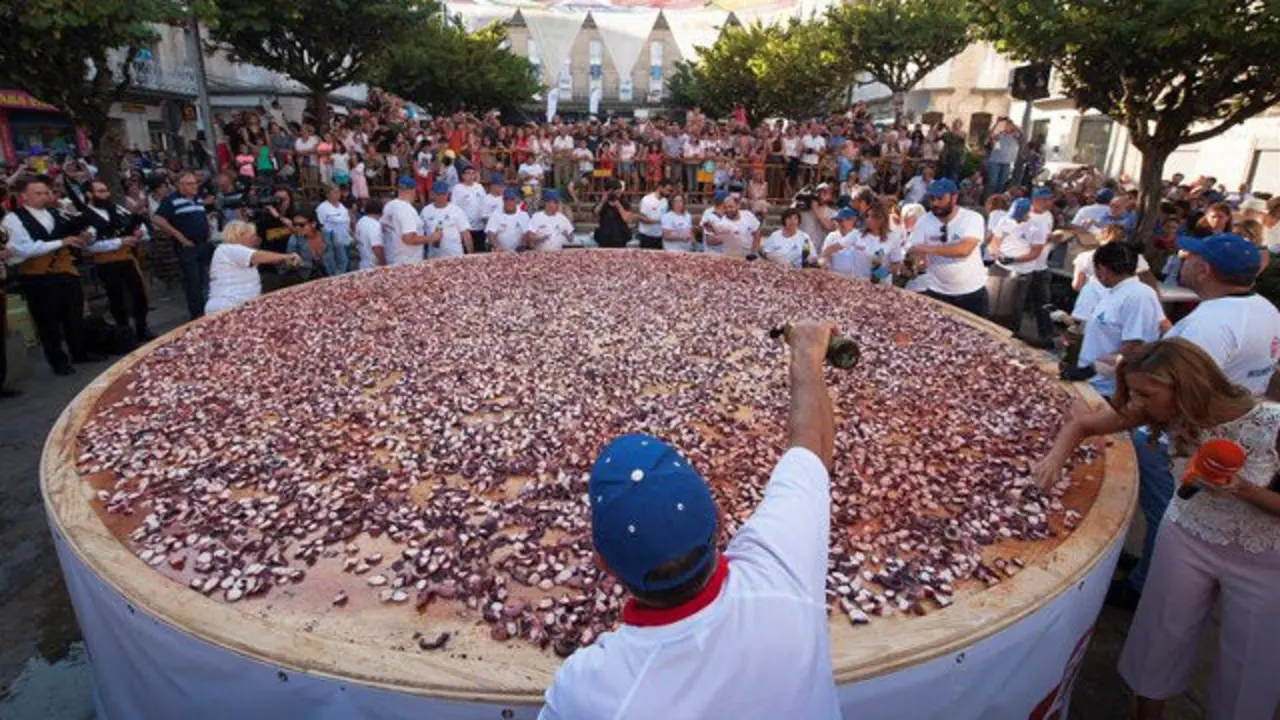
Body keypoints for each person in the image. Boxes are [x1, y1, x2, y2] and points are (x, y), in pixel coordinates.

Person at [540, 320, 840, 720]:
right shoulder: (784, 574)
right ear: (718, 516)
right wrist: (806, 358)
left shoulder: (590, 692)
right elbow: (811, 449)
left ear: (604, 564)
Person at [1032, 339, 1280, 720]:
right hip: (1186, 535)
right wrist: (1054, 459)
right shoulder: (1164, 409)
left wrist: (1245, 491)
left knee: (1250, 661)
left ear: (1186, 385)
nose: (1137, 403)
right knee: (1160, 636)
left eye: (1147, 393)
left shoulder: (1270, 423)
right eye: (1134, 393)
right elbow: (1085, 423)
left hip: (1263, 559)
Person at [1115, 232, 1280, 609]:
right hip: (1232, 436)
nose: (1182, 259)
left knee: (1166, 513)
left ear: (1204, 270)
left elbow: (1175, 390)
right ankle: (1146, 568)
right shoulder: (1266, 308)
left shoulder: (1210, 322)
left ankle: (1144, 586)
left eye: (1189, 256)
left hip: (1185, 436)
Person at [1, 175, 96, 375]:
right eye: (39, 193)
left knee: (74, 316)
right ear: (24, 197)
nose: (45, 197)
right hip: (38, 276)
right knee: (48, 322)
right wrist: (61, 242)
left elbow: (80, 229)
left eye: (46, 193)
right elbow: (22, 249)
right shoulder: (13, 219)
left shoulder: (56, 212)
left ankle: (80, 352)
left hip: (65, 270)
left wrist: (86, 235)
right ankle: (58, 362)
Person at [1072, 242, 1163, 396]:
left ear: (1103, 269)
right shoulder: (1114, 291)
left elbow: (1134, 347)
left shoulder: (1139, 296)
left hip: (1111, 390)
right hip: (1093, 383)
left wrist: (1091, 370)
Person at [75, 179, 152, 341]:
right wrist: (119, 242)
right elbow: (90, 246)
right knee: (116, 298)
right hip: (106, 262)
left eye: (106, 190)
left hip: (127, 258)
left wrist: (139, 233)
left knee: (139, 295)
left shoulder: (116, 208)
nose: (106, 194)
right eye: (100, 191)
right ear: (89, 194)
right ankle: (125, 333)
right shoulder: (84, 216)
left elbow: (137, 225)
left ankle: (142, 329)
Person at [907, 178, 990, 317]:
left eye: (940, 198)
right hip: (937, 291)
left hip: (971, 293)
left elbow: (964, 250)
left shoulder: (972, 218)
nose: (935, 203)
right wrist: (917, 260)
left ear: (954, 197)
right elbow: (914, 248)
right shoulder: (924, 221)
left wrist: (928, 249)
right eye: (931, 198)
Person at [990, 198, 1053, 346]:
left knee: (1015, 305)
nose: (1017, 221)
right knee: (995, 300)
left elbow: (1035, 252)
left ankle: (1011, 336)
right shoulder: (1005, 221)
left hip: (1022, 270)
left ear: (1027, 213)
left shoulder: (1038, 227)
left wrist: (1014, 259)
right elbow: (995, 241)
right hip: (1000, 265)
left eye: (1020, 218)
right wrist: (995, 252)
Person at [153, 171, 215, 320]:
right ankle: (197, 315)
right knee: (192, 281)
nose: (194, 186)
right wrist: (179, 236)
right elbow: (157, 218)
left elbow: (201, 215)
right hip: (188, 246)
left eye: (195, 183)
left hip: (203, 244)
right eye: (190, 184)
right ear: (180, 186)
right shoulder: (171, 200)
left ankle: (206, 309)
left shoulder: (197, 198)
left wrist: (208, 226)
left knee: (204, 279)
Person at [204, 221, 301, 314]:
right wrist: (287, 256)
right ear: (240, 235)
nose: (255, 238)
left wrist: (286, 261)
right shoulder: (226, 249)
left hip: (240, 306)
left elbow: (266, 259)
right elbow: (257, 256)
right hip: (226, 305)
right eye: (252, 235)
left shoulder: (239, 252)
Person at [381, 177, 431, 265]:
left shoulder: (390, 205)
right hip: (408, 261)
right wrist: (432, 238)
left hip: (393, 258)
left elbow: (383, 227)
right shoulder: (407, 209)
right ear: (413, 190)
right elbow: (408, 239)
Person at [288, 207, 348, 279]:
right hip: (307, 281)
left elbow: (342, 261)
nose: (297, 228)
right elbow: (290, 264)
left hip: (332, 277)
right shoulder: (294, 240)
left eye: (301, 225)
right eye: (295, 225)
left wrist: (336, 278)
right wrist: (301, 264)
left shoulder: (330, 236)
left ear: (313, 224)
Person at [420, 181, 472, 258]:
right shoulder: (425, 211)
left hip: (455, 256)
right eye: (438, 194)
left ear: (447, 194)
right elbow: (420, 233)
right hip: (433, 257)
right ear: (432, 194)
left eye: (443, 194)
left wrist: (470, 255)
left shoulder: (456, 210)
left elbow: (466, 234)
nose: (441, 197)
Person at [705, 195, 761, 259]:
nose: (728, 210)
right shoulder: (721, 222)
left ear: (738, 205)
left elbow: (757, 233)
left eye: (731, 207)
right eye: (725, 207)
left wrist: (753, 251)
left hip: (750, 251)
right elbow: (709, 241)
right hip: (731, 253)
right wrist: (723, 237)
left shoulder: (748, 215)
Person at [451, 165, 488, 252]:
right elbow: (454, 208)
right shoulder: (457, 188)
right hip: (465, 228)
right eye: (468, 173)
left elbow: (485, 204)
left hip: (479, 226)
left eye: (473, 173)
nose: (471, 176)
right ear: (462, 176)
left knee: (480, 253)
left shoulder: (479, 187)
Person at [818, 208, 860, 277]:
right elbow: (824, 255)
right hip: (835, 276)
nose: (839, 224)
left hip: (855, 277)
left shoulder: (859, 235)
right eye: (837, 221)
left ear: (852, 221)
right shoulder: (832, 236)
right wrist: (824, 262)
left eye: (841, 221)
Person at [486, 188, 530, 253]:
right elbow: (491, 234)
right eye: (506, 199)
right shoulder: (496, 215)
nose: (508, 202)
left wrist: (523, 244)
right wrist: (496, 245)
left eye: (512, 199)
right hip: (499, 251)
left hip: (518, 251)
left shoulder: (524, 215)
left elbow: (526, 233)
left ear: (516, 201)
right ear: (503, 201)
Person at [593, 178, 633, 249]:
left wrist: (619, 206)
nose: (619, 194)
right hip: (604, 237)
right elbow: (595, 214)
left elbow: (627, 219)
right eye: (616, 193)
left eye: (620, 192)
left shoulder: (624, 203)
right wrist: (602, 202)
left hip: (620, 237)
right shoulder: (603, 202)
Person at [636, 179, 673, 250]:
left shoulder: (665, 201)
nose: (668, 193)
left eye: (670, 191)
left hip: (659, 237)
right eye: (667, 190)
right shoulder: (646, 199)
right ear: (660, 187)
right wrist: (657, 221)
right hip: (646, 237)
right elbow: (641, 217)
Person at [315, 184, 353, 248]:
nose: (338, 194)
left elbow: (347, 220)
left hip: (345, 240)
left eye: (338, 192)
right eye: (335, 193)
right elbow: (320, 226)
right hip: (332, 243)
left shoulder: (342, 206)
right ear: (327, 195)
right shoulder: (322, 208)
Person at [354, 197, 385, 270]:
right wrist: (384, 265)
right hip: (373, 266)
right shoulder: (374, 225)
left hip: (363, 263)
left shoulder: (361, 221)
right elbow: (376, 247)